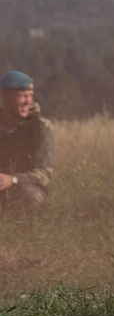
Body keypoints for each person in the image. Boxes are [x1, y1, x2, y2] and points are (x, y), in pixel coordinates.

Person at [0, 71, 53, 215]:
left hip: (24, 190)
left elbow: (44, 173)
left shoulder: (39, 127)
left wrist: (14, 179)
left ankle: (26, 234)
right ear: (5, 96)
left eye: (30, 96)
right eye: (23, 96)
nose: (28, 101)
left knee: (32, 197)